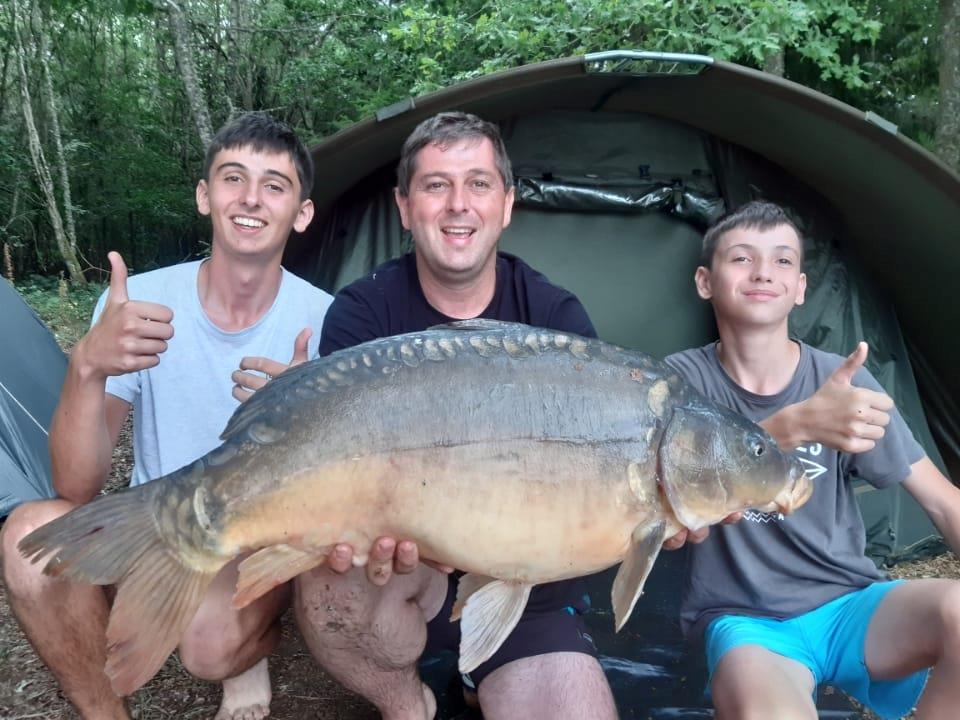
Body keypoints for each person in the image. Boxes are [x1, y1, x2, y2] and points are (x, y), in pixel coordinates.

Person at [236, 111, 618, 720]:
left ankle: (483, 674)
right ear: (405, 207)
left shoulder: (555, 317)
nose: (457, 205)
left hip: (530, 589)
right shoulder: (363, 312)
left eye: (478, 183)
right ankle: (406, 703)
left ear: (507, 203)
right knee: (329, 582)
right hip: (401, 576)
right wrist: (303, 416)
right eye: (436, 185)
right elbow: (346, 491)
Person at [0, 112, 333, 720]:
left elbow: (332, 493)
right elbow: (75, 488)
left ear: (301, 212)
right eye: (233, 178)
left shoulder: (325, 320)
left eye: (274, 185)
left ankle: (250, 647)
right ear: (206, 197)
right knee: (28, 538)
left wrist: (306, 413)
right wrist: (86, 366)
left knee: (208, 649)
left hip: (249, 538)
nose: (251, 198)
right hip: (149, 523)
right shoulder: (141, 302)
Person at [664, 200, 960, 720]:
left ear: (800, 288)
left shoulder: (840, 383)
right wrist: (795, 426)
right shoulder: (679, 382)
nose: (763, 273)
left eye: (782, 261)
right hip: (747, 622)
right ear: (705, 282)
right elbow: (683, 484)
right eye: (742, 258)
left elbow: (941, 503)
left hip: (851, 605)